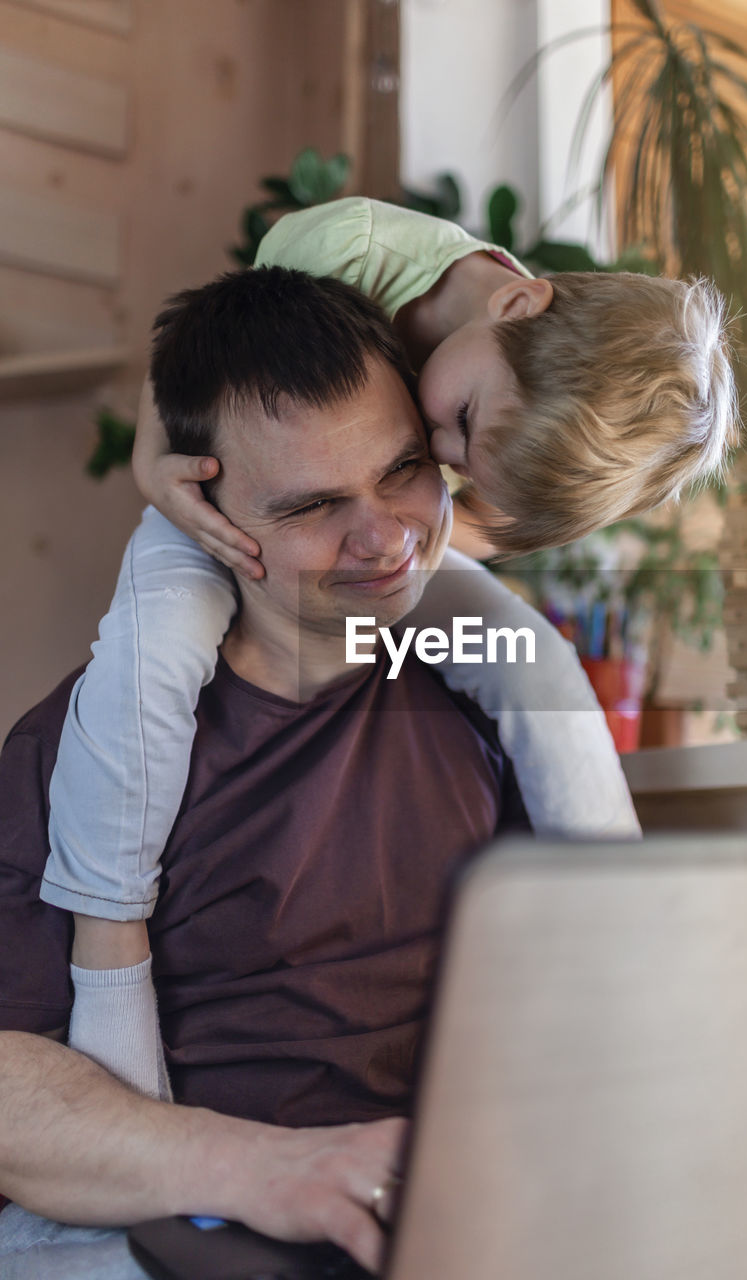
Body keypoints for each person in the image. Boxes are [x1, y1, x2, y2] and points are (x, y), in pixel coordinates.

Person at [0, 268, 633, 1278]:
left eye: (405, 469)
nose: (383, 538)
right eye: (312, 506)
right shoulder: (84, 748)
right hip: (192, 1227)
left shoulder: (491, 705)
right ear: (203, 507)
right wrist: (266, 1167)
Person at [43, 195, 723, 1104]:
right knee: (149, 664)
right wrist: (153, 468)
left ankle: (614, 930)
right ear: (517, 306)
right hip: (215, 505)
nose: (443, 452)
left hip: (363, 537)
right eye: (457, 428)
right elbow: (203, 359)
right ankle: (108, 957)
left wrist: (409, 540)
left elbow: (434, 527)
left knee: (537, 664)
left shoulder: (510, 394)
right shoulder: (347, 249)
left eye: (443, 462)